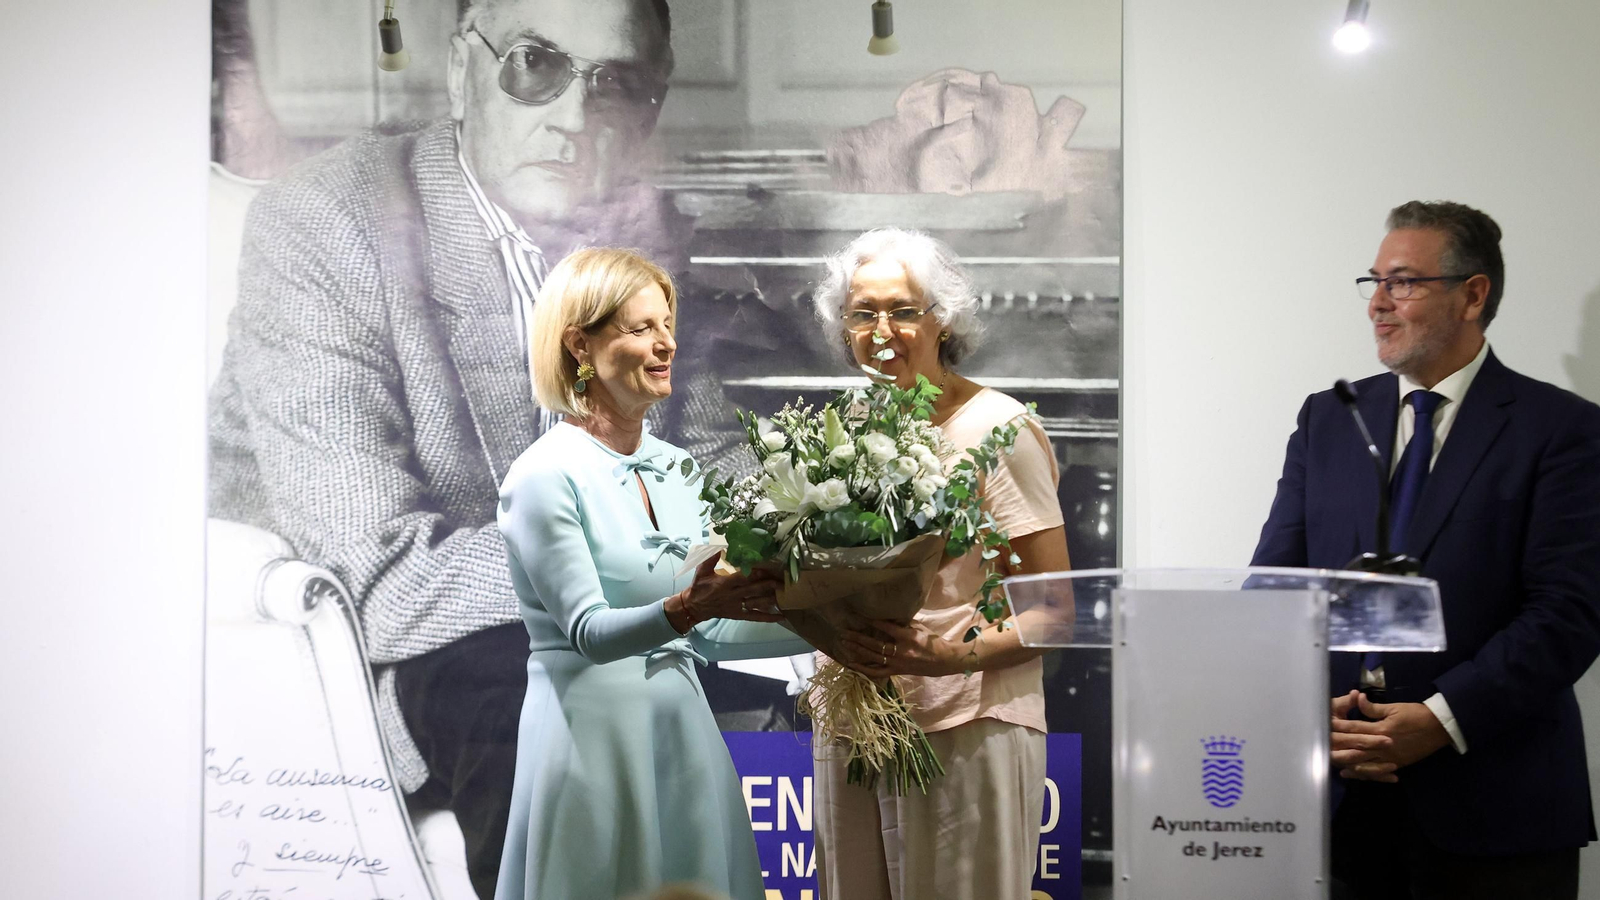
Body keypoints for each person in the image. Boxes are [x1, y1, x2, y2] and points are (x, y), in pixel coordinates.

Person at [206, 1, 754, 896]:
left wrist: (817, 540)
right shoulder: (325, 224)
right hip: (420, 640)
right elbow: (379, 579)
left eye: (613, 83)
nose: (575, 119)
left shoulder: (630, 234)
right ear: (463, 69)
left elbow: (710, 459)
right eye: (535, 64)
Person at [1251, 201, 1600, 899]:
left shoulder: (1563, 429)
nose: (1378, 304)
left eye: (1402, 282)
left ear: (1474, 294)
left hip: (1497, 809)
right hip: (1341, 800)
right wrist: (1306, 713)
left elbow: (1570, 612)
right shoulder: (1329, 418)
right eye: (1373, 282)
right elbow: (1275, 592)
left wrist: (1441, 719)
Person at [495, 247, 810, 899]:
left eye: (667, 324)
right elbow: (589, 631)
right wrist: (692, 607)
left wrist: (830, 628)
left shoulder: (675, 467)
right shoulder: (542, 476)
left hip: (683, 740)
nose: (666, 343)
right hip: (589, 748)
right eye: (641, 328)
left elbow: (712, 636)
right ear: (580, 346)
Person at [804, 228, 1072, 900]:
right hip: (856, 720)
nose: (881, 329)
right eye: (862, 313)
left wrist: (951, 655)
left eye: (902, 310)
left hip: (967, 726)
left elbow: (1056, 614)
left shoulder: (997, 430)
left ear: (942, 318)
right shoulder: (849, 426)